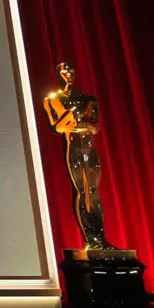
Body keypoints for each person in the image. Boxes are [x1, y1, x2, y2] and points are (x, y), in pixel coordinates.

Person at [43, 62, 116, 250]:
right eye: (64, 71)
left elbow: (96, 126)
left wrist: (84, 122)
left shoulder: (88, 99)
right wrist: (70, 118)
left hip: (89, 148)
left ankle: (99, 238)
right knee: (81, 191)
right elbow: (56, 127)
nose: (69, 73)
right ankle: (90, 239)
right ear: (59, 74)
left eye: (71, 70)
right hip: (73, 146)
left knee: (93, 192)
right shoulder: (52, 100)